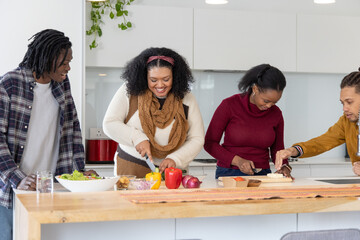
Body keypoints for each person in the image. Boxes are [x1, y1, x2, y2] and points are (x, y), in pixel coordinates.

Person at [0, 29, 96, 240]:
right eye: (64, 63)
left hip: (50, 187)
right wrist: (18, 179)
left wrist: (79, 173)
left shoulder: (62, 85)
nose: (68, 68)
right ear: (49, 58)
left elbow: (72, 130)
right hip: (12, 189)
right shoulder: (9, 84)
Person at [103, 47, 205, 177]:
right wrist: (137, 138)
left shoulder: (187, 98)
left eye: (166, 79)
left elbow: (197, 138)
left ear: (175, 76)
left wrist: (175, 158)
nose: (160, 85)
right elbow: (109, 124)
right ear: (145, 76)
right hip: (132, 165)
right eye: (153, 80)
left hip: (171, 170)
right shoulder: (129, 91)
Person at [204, 64, 292, 179]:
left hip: (263, 174)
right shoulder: (229, 105)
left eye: (274, 102)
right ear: (255, 89)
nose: (269, 106)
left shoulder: (276, 114)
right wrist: (238, 161)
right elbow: (210, 144)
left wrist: (284, 166)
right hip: (229, 173)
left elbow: (278, 149)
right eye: (266, 101)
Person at [275, 68, 360, 175]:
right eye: (342, 103)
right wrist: (293, 151)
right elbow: (320, 143)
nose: (344, 108)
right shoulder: (346, 122)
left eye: (349, 102)